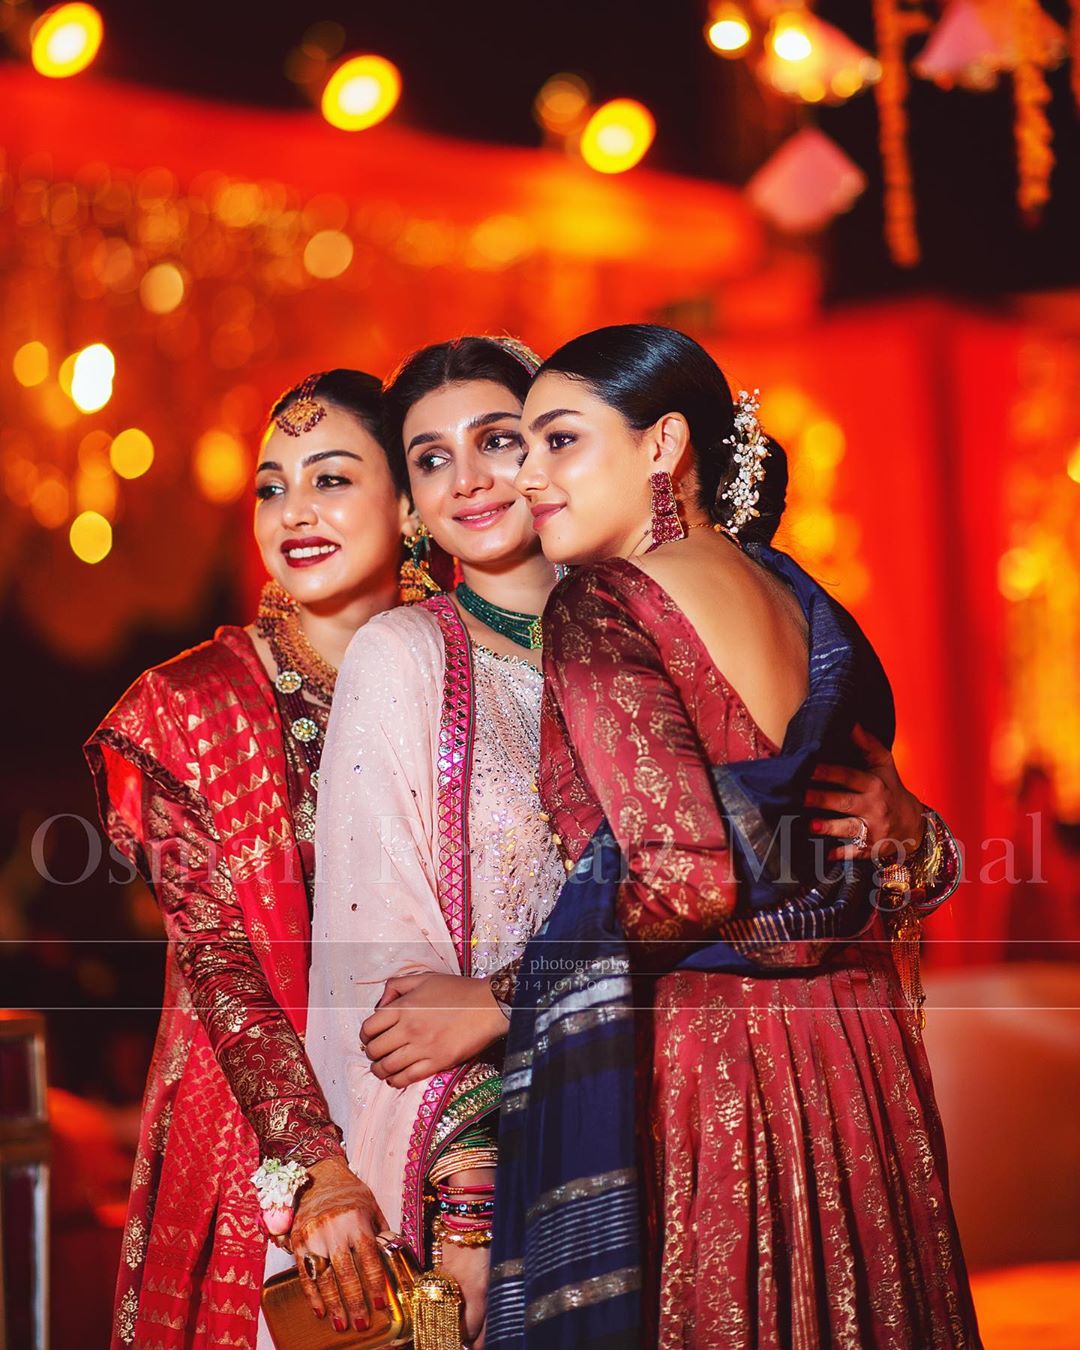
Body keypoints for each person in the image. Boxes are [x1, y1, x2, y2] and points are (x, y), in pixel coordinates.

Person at [489, 324, 978, 1349]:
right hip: (857, 1052)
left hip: (711, 1058)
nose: (527, 474)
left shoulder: (602, 608)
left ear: (662, 445)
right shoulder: (799, 597)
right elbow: (909, 850)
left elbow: (687, 880)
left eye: (560, 441)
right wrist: (916, 836)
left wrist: (498, 1003)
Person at [85, 370, 412, 1349]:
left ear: (410, 499)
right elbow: (222, 964)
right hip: (263, 1135)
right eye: (273, 487)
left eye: (331, 479)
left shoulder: (479, 673)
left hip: (450, 1091)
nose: (295, 512)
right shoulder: (192, 708)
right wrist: (317, 1168)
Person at [287, 336, 566, 1348]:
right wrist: (468, 1198)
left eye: (497, 439)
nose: (470, 479)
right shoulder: (403, 659)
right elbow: (387, 979)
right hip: (501, 1160)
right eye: (431, 458)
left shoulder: (638, 645)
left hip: (665, 1108)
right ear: (409, 504)